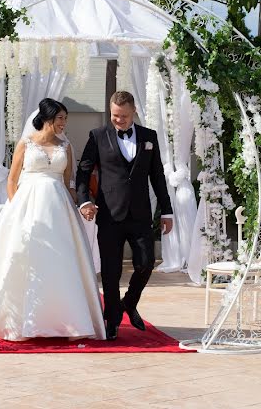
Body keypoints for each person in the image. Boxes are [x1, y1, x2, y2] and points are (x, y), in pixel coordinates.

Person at [0, 98, 105, 341]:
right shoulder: (25, 144)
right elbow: (12, 180)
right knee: (25, 259)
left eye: (65, 119)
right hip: (27, 206)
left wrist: (80, 205)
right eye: (60, 119)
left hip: (59, 209)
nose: (64, 123)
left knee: (62, 261)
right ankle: (18, 322)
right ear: (47, 118)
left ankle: (69, 322)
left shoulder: (65, 146)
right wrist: (17, 209)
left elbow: (68, 183)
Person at [76, 91, 173, 341]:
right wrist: (85, 200)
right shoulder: (97, 136)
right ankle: (113, 321)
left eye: (124, 116)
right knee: (110, 271)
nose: (118, 120)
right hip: (109, 214)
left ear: (134, 113)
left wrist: (167, 211)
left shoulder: (149, 137)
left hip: (140, 214)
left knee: (146, 263)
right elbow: (84, 171)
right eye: (114, 115)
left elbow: (158, 177)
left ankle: (128, 303)